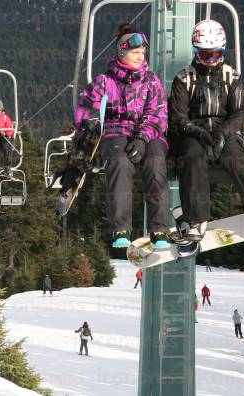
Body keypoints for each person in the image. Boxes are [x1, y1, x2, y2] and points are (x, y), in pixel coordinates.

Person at [167, 19, 244, 241]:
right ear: (197, 52)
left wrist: (223, 133)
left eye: (216, 54)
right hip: (192, 132)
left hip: (223, 129)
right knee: (192, 157)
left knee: (235, 156)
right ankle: (196, 219)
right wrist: (197, 133)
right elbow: (177, 116)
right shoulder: (183, 79)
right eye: (207, 55)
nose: (211, 60)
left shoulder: (231, 76)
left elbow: (239, 112)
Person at [73, 23, 170, 249]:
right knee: (119, 162)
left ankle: (159, 228)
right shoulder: (104, 82)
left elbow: (158, 112)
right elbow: (85, 112)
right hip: (116, 131)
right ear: (121, 52)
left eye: (142, 53)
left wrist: (143, 137)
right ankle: (121, 228)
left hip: (148, 133)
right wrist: (91, 129)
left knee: (155, 163)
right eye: (135, 52)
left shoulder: (150, 81)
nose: (139, 57)